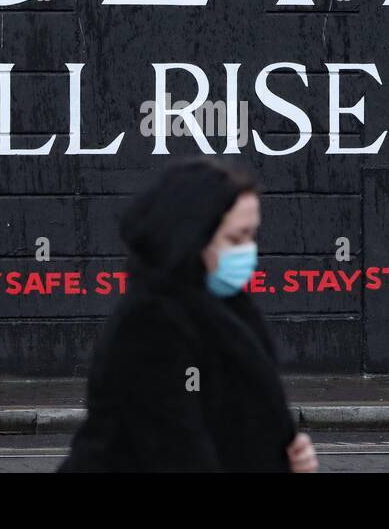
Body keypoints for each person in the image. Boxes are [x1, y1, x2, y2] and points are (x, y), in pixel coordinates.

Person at [58, 157, 318, 473]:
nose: (248, 251)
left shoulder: (227, 308)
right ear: (193, 238)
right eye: (236, 238)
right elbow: (176, 451)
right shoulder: (152, 325)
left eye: (252, 236)